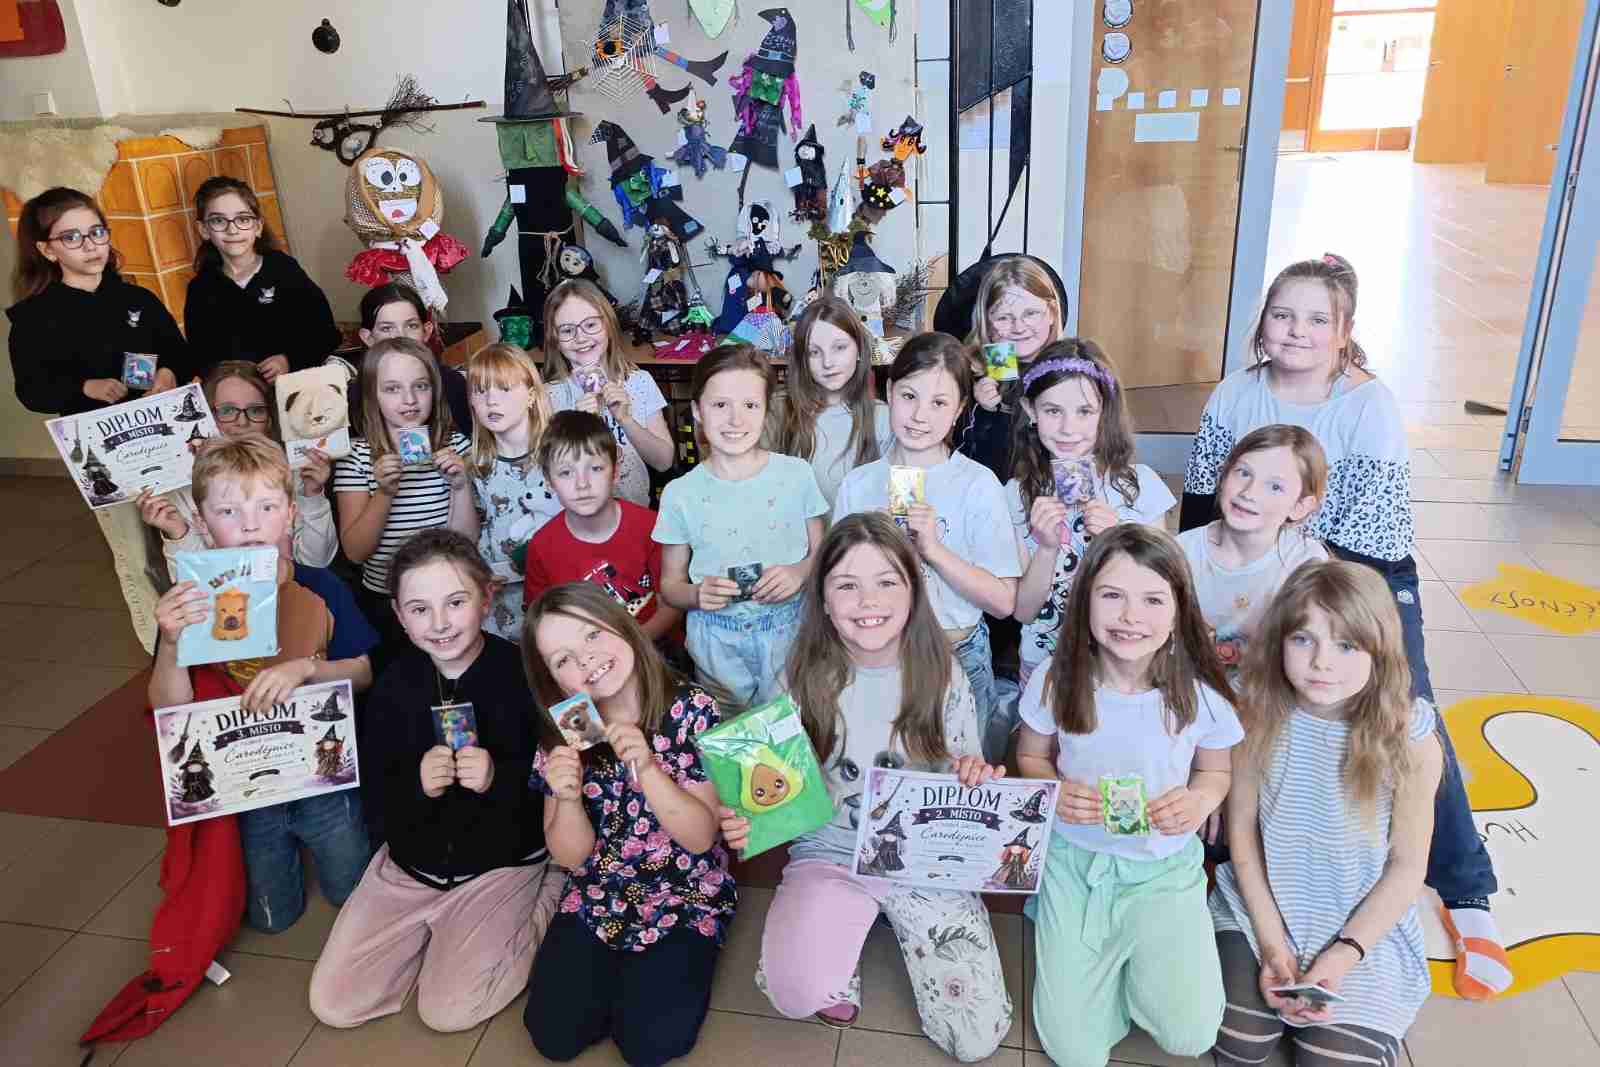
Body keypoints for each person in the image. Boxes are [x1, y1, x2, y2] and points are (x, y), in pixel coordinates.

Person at [1179, 253, 1509, 999]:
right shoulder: (1235, 392)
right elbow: (1202, 502)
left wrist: (1310, 628)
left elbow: (1365, 546)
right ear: (1262, 322)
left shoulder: (1367, 405)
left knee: (1407, 710)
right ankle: (1232, 860)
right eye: (1282, 315)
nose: (1296, 330)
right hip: (1257, 556)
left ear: (1343, 331)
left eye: (1316, 319)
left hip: (1360, 574)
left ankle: (1466, 889)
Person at [729, 513, 1014, 1059]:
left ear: (913, 591)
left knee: (976, 1040)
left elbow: (966, 764)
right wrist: (746, 814)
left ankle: (883, 918)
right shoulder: (797, 675)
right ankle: (842, 935)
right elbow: (765, 787)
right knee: (796, 992)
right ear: (823, 598)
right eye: (846, 585)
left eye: (886, 581)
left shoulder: (943, 672)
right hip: (832, 849)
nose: (867, 601)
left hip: (922, 855)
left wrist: (974, 776)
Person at [308, 530, 562, 1033]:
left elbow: (570, 775)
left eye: (456, 602)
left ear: (486, 598)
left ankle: (551, 890)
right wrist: (415, 785)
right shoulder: (392, 685)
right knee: (334, 1004)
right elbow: (374, 792)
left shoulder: (528, 676)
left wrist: (502, 777)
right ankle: (438, 932)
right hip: (409, 867)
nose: (440, 623)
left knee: (449, 1012)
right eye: (420, 609)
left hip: (501, 866)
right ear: (399, 616)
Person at [1015, 525, 1243, 1067]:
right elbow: (1030, 756)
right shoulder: (1056, 678)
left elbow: (1216, 770)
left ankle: (1129, 960)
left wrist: (1199, 801)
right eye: (1112, 595)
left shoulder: (1201, 691)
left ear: (1179, 610)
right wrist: (1053, 791)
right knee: (1074, 1053)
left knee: (1191, 1035)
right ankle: (1084, 949)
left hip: (1163, 870)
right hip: (1075, 862)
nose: (1130, 617)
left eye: (1152, 600)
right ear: (1085, 601)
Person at [1210, 561, 1442, 1067]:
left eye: (1346, 645)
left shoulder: (1410, 736)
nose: (1321, 662)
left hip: (1362, 925)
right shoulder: (1253, 710)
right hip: (1261, 905)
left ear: (1379, 650)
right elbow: (1242, 836)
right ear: (1279, 641)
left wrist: (1344, 953)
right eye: (1303, 639)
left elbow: (1407, 866)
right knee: (1239, 1041)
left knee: (1330, 1059)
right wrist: (1272, 944)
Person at [149, 437, 377, 933]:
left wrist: (305, 669)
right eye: (229, 511)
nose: (250, 524)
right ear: (203, 524)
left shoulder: (321, 587)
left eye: (267, 507)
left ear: (290, 514)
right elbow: (169, 709)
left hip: (323, 775)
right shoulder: (192, 601)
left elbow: (362, 673)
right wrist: (169, 644)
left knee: (353, 894)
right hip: (244, 787)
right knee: (272, 919)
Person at [521, 583, 736, 1066]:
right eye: (563, 659)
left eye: (592, 634)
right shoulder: (567, 730)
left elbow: (701, 838)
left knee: (649, 1045)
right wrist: (567, 798)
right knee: (552, 1036)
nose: (586, 660)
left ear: (621, 624)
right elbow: (571, 857)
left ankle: (650, 977)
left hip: (685, 893)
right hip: (598, 893)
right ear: (553, 680)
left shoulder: (691, 708)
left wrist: (650, 769)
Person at [833, 333, 1022, 761]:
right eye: (909, 396)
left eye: (939, 403)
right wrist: (869, 550)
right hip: (875, 663)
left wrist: (934, 549)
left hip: (959, 654)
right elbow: (835, 587)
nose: (920, 415)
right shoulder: (858, 485)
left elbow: (1003, 602)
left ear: (959, 409)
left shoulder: (977, 484)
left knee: (961, 786)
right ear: (888, 393)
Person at [655, 343, 827, 704]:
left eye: (750, 405)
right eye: (720, 405)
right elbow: (670, 586)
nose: (736, 420)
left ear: (766, 410)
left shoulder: (796, 475)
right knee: (729, 731)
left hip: (790, 631)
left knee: (791, 727)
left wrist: (799, 571)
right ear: (697, 410)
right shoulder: (680, 493)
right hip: (716, 642)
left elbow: (822, 553)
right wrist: (696, 594)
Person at [1008, 340, 1174, 696]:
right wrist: (1046, 548)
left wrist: (1119, 540)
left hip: (1123, 669)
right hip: (1044, 663)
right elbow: (1023, 611)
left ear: (1105, 412)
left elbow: (1166, 593)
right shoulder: (1016, 495)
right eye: (1053, 411)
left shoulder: (1141, 487)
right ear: (1030, 410)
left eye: (1084, 411)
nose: (1068, 428)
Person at [334, 337, 477, 652]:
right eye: (392, 389)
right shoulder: (355, 457)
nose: (409, 399)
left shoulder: (455, 446)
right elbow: (355, 552)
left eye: (420, 386)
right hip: (386, 600)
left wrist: (460, 486)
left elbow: (466, 543)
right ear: (372, 396)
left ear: (434, 390)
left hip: (451, 590)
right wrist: (384, 493)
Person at [137, 360, 337, 576]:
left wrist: (313, 494)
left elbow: (316, 562)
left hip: (291, 589)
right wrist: (179, 533)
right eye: (227, 410)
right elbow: (194, 582)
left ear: (270, 419)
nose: (242, 422)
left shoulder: (293, 471)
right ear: (206, 414)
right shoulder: (185, 484)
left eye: (256, 410)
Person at [8, 186, 192, 415]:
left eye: (96, 232)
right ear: (47, 250)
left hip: (159, 420)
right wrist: (84, 387)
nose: (90, 246)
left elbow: (180, 354)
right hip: (94, 429)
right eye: (71, 237)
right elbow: (31, 391)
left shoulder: (139, 299)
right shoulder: (34, 318)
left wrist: (169, 372)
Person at [1177, 424, 1328, 674]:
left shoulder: (1305, 562)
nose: (1249, 493)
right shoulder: (1182, 551)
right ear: (1223, 475)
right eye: (1243, 473)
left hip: (1267, 687)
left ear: (1300, 506)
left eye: (1275, 486)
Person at [523, 410, 682, 644]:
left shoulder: (651, 527)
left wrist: (631, 648)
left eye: (595, 469)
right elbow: (541, 620)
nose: (582, 484)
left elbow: (672, 604)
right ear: (549, 481)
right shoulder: (542, 546)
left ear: (615, 471)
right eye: (566, 473)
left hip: (656, 651)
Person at [182, 176, 339, 381]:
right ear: (204, 229)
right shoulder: (200, 289)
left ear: (258, 226)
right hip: (236, 391)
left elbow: (325, 333)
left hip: (295, 384)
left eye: (243, 219)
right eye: (218, 220)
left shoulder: (284, 270)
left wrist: (289, 360)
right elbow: (201, 356)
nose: (232, 230)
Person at [542, 279, 675, 506]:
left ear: (608, 325)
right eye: (567, 330)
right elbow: (549, 475)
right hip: (577, 516)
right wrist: (578, 428)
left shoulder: (639, 382)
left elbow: (664, 462)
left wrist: (626, 420)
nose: (581, 338)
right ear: (555, 338)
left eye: (591, 325)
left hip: (634, 511)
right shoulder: (549, 396)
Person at [464, 343, 558, 638]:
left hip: (555, 598)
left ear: (530, 395)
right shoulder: (474, 464)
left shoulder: (559, 456)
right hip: (498, 602)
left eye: (504, 389)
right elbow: (466, 536)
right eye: (480, 391)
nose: (491, 400)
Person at [777, 296, 892, 506]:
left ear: (859, 349)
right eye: (814, 352)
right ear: (803, 360)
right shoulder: (784, 412)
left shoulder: (884, 418)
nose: (828, 362)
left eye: (839, 347)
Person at [958, 257, 1066, 481]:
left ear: (1052, 313)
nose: (1018, 327)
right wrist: (983, 411)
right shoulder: (978, 370)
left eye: (1031, 313)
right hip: (988, 488)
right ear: (986, 320)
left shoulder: (1070, 372)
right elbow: (963, 460)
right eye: (1004, 317)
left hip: (1049, 488)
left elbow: (1080, 453)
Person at [354, 282, 472, 435]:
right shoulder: (354, 395)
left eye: (411, 326)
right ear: (368, 338)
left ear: (427, 331)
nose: (401, 336)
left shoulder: (452, 383)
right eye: (386, 328)